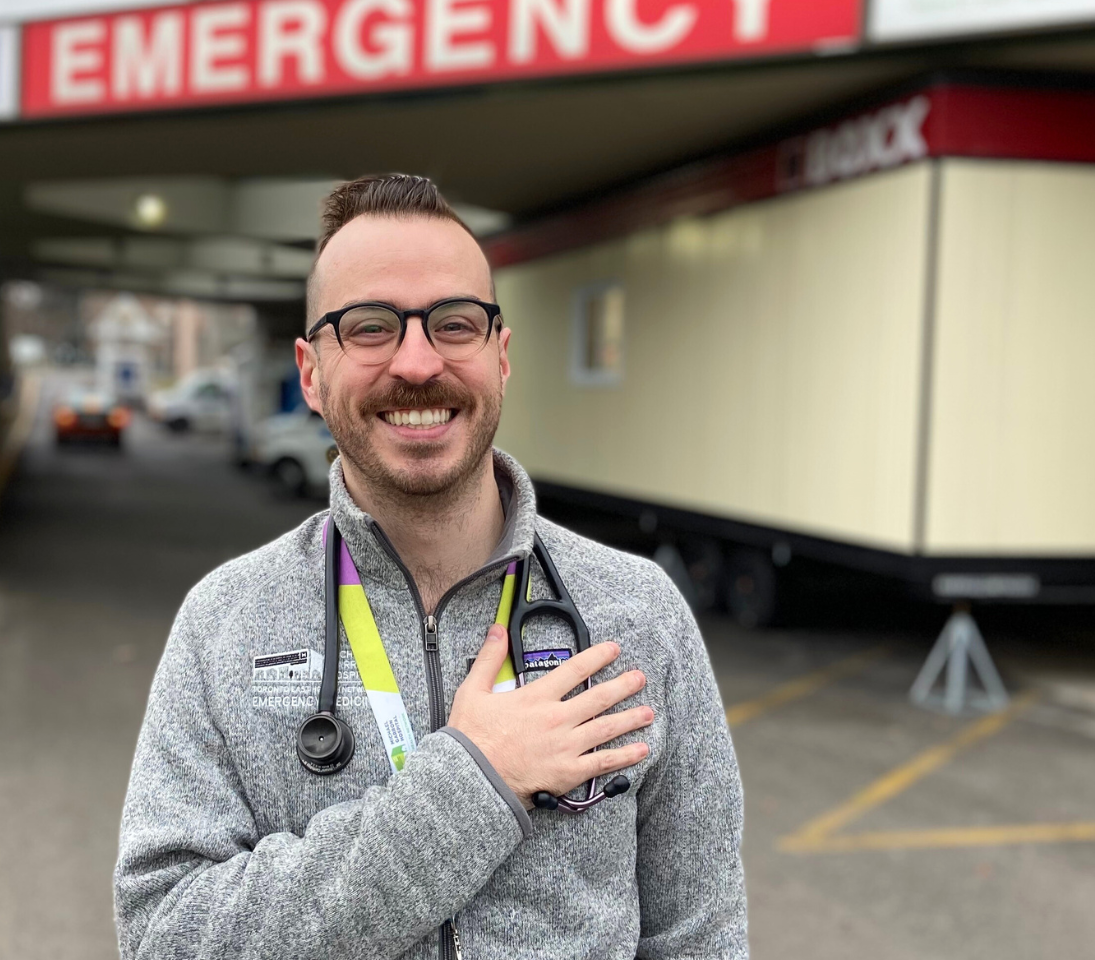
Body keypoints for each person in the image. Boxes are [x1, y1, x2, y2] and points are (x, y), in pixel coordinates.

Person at [114, 174, 748, 959]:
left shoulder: (638, 611)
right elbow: (164, 935)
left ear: (501, 356)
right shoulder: (225, 623)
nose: (417, 363)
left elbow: (701, 936)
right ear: (311, 372)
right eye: (372, 327)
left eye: (453, 323)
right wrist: (471, 783)